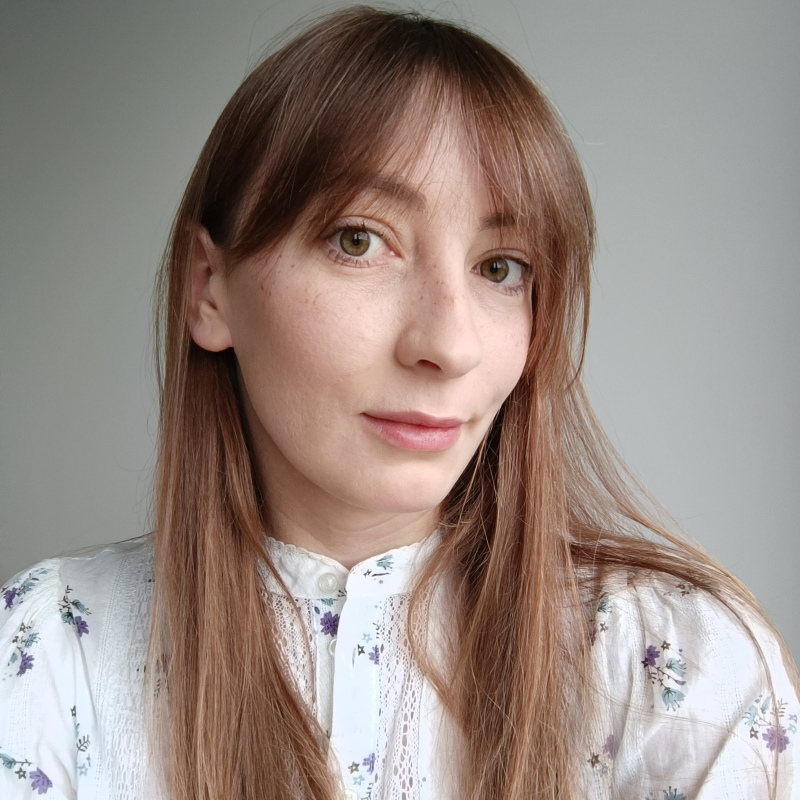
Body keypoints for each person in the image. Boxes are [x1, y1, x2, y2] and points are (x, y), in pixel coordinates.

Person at [1, 6, 797, 800]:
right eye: (359, 240)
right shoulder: (43, 656)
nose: (449, 345)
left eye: (501, 268)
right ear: (208, 289)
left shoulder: (679, 671)